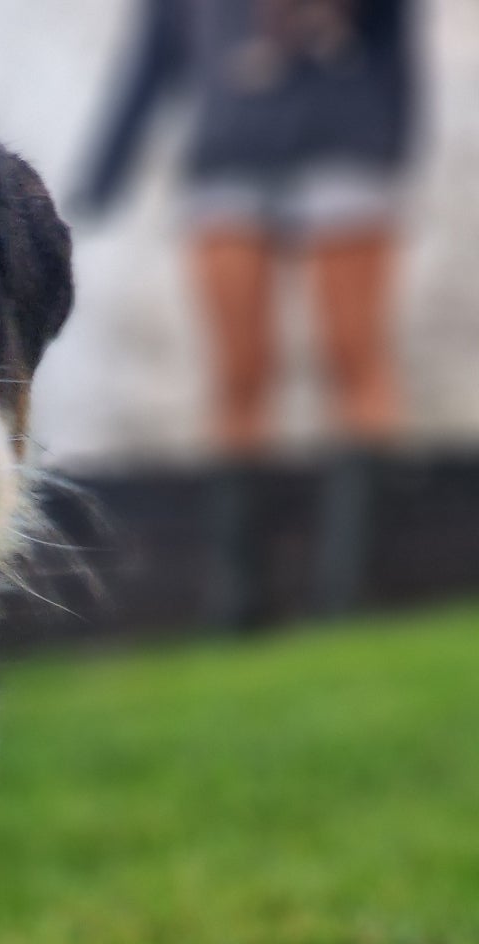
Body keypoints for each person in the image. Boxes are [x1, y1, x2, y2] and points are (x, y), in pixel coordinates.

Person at [75, 0, 418, 618]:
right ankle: (239, 598)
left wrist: (391, 144)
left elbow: (396, 30)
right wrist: (99, 178)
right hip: (229, 157)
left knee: (353, 355)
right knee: (239, 373)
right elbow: (152, 58)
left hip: (344, 146)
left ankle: (350, 589)